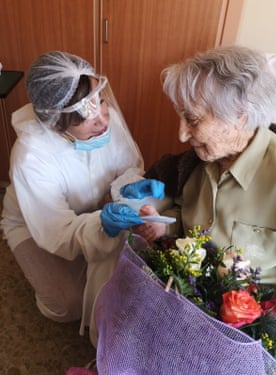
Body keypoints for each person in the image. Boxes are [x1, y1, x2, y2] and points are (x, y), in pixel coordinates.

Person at [0, 51, 165, 347]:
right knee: (68, 305)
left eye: (101, 102)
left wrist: (129, 187)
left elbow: (125, 167)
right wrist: (102, 226)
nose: (102, 121)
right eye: (86, 120)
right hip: (36, 224)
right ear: (55, 125)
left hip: (93, 207)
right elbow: (59, 232)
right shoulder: (31, 158)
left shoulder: (102, 119)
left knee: (124, 278)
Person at [135, 45, 276, 303]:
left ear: (239, 118)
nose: (181, 135)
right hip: (185, 300)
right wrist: (163, 226)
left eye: (192, 120)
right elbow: (189, 217)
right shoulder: (202, 162)